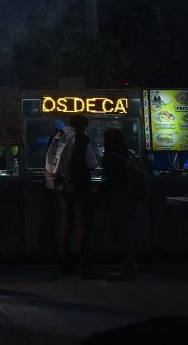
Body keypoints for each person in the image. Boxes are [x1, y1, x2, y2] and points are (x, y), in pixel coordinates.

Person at [54, 113, 100, 279]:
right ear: (82, 126)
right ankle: (86, 267)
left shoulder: (59, 136)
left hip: (62, 187)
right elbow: (92, 164)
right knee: (83, 226)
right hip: (80, 187)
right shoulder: (80, 139)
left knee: (66, 225)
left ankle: (66, 264)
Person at [100, 128, 138, 279]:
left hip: (119, 198)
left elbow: (111, 180)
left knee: (121, 232)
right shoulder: (128, 154)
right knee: (124, 231)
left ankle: (129, 267)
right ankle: (130, 265)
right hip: (130, 197)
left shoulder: (111, 158)